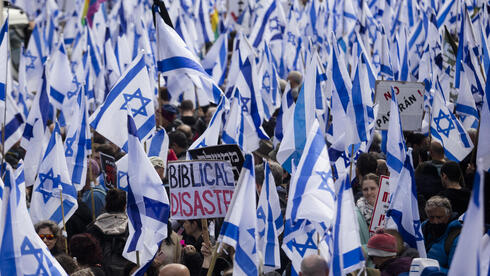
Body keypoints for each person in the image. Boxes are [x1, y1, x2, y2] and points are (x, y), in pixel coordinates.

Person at [86, 189, 132, 275]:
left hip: (101, 271)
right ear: (125, 206)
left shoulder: (93, 227)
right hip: (127, 270)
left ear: (106, 204)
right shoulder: (132, 228)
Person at [421, 196, 461, 273]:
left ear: (448, 215)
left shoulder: (456, 237)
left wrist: (431, 269)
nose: (435, 221)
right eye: (431, 217)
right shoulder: (423, 229)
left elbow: (456, 272)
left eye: (439, 217)